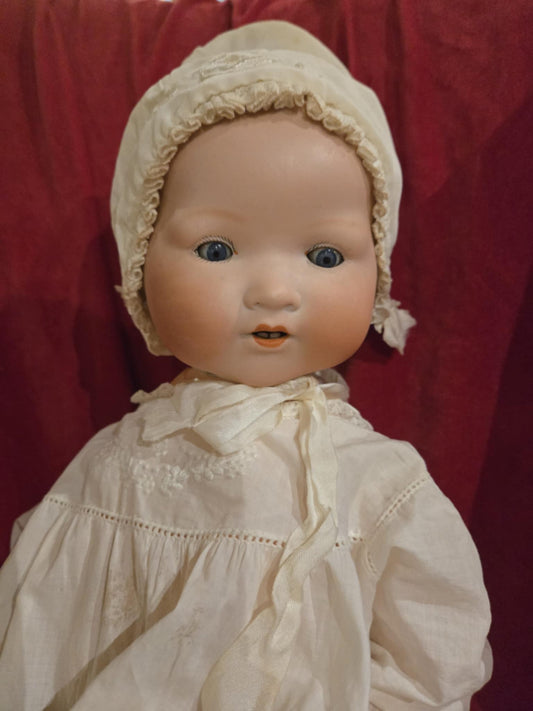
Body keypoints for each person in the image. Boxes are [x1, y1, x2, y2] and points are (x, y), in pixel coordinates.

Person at [0, 21, 491, 710]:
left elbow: (432, 658)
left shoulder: (370, 480)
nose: (274, 291)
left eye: (324, 256)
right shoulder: (117, 462)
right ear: (140, 265)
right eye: (216, 249)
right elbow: (42, 626)